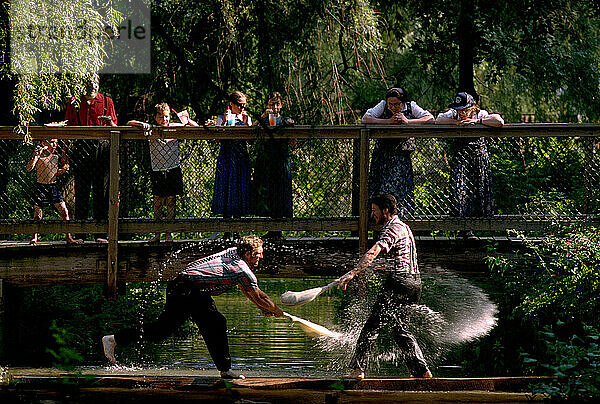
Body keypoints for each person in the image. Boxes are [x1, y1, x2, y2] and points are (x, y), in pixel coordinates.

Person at [102, 235, 284, 379]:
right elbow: (259, 295)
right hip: (184, 289)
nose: (261, 255)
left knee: (217, 323)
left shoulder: (234, 253)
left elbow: (248, 291)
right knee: (160, 332)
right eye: (258, 253)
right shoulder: (242, 269)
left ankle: (225, 370)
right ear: (247, 254)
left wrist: (263, 308)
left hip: (195, 291)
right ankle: (113, 339)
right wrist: (276, 310)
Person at [338, 193, 432, 380]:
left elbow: (374, 251)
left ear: (385, 210)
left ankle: (358, 370)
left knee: (371, 327)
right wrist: (372, 268)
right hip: (414, 284)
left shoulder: (391, 228)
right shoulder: (405, 227)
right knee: (400, 329)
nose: (373, 215)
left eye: (374, 211)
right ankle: (422, 371)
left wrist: (353, 273)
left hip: (399, 283)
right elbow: (399, 261)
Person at [435, 92, 504, 237]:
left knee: (479, 190)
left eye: (465, 109)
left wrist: (477, 123)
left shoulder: (481, 114)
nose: (462, 112)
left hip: (478, 158)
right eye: (459, 109)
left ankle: (482, 228)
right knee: (459, 190)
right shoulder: (453, 115)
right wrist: (456, 123)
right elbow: (437, 120)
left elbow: (499, 121)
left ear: (473, 107)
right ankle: (463, 228)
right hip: (460, 158)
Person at [127, 103, 198, 243]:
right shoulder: (151, 129)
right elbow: (129, 123)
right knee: (158, 202)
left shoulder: (174, 127)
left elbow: (197, 128)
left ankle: (169, 233)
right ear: (155, 117)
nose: (164, 119)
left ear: (170, 117)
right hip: (157, 170)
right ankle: (157, 233)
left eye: (166, 116)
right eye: (160, 116)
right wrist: (142, 124)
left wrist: (187, 120)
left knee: (171, 202)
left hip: (173, 168)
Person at [362, 87, 434, 217]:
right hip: (382, 158)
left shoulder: (411, 107)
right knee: (380, 190)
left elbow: (430, 119)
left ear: (403, 103)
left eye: (396, 104)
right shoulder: (383, 106)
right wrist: (387, 122)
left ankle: (400, 221)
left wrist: (408, 122)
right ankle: (378, 222)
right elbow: (365, 118)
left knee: (401, 192)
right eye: (391, 104)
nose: (393, 107)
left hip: (401, 158)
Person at [64, 74, 117, 243]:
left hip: (102, 148)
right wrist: (65, 151)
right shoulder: (74, 102)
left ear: (98, 85)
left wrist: (109, 123)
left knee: (102, 192)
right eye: (88, 84)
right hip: (81, 148)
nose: (91, 87)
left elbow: (116, 126)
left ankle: (100, 235)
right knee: (81, 192)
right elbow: (67, 126)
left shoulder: (107, 102)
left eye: (94, 84)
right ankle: (80, 235)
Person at [252, 91, 295, 240]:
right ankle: (270, 229)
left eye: (277, 104)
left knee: (281, 193)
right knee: (267, 195)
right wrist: (263, 116)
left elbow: (293, 142)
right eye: (271, 104)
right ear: (267, 105)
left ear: (281, 105)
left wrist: (291, 129)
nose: (274, 107)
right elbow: (251, 130)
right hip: (266, 162)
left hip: (281, 161)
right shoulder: (263, 119)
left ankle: (279, 231)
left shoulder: (286, 120)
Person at [25, 138, 83, 245]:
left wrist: (63, 170)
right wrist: (36, 156)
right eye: (52, 142)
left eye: (56, 142)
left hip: (53, 187)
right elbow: (29, 168)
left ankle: (68, 237)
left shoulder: (56, 157)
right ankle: (34, 237)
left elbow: (55, 172)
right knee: (37, 215)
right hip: (41, 187)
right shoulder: (40, 156)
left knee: (64, 211)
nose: (54, 145)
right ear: (44, 143)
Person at [212, 91, 252, 238]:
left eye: (244, 105)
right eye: (239, 105)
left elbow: (250, 140)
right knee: (226, 188)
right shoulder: (222, 117)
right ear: (231, 104)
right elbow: (218, 138)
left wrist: (248, 124)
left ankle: (238, 230)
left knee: (239, 189)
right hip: (227, 157)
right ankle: (226, 230)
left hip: (241, 157)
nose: (242, 108)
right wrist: (224, 122)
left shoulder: (246, 117)